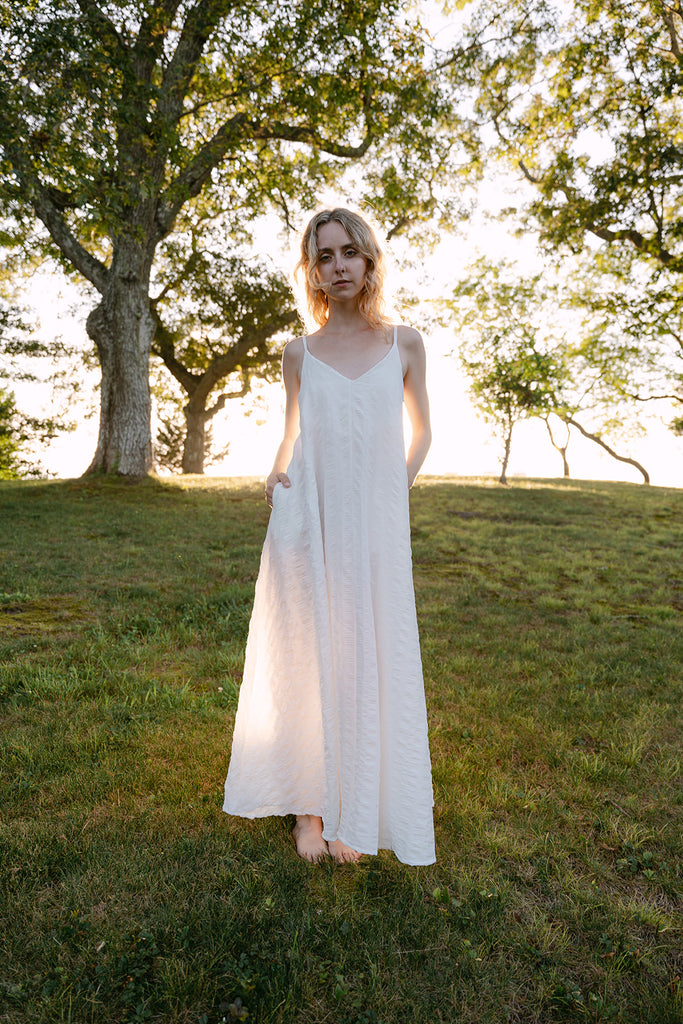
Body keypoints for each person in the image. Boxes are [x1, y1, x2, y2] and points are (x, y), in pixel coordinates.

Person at [223, 207, 435, 866]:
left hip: (375, 524)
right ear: (310, 270)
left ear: (369, 260)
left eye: (348, 253)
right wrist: (275, 470)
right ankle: (310, 812)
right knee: (310, 649)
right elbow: (292, 432)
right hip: (307, 518)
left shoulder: (405, 343)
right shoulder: (298, 352)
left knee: (366, 649)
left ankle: (360, 803)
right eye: (324, 256)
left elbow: (422, 432)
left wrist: (390, 493)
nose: (337, 266)